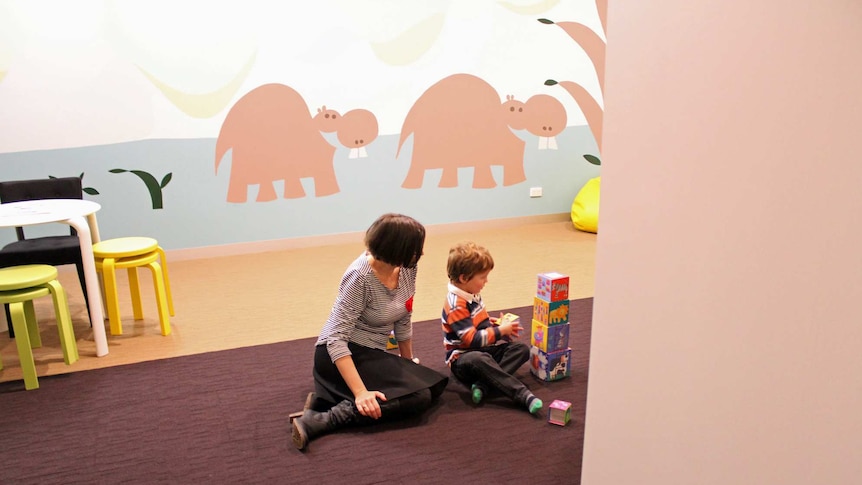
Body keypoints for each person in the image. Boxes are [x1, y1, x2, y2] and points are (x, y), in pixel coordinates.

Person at [291, 213, 449, 451]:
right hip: (339, 356)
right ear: (397, 249)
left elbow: (404, 317)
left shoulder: (407, 268)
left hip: (373, 353)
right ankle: (323, 419)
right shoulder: (360, 277)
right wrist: (361, 392)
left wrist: (408, 362)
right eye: (416, 248)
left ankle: (325, 401)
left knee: (432, 386)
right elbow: (335, 339)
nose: (421, 254)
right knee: (419, 397)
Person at [441, 241, 542, 414]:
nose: (486, 281)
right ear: (464, 278)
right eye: (482, 277)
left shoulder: (471, 292)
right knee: (479, 359)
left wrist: (496, 325)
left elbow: (479, 322)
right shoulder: (456, 304)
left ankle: (484, 385)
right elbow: (471, 338)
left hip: (484, 350)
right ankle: (521, 394)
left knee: (521, 349)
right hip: (463, 359)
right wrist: (500, 331)